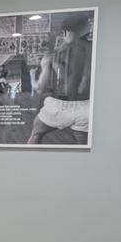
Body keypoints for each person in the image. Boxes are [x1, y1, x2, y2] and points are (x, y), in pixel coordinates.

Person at [27, 13, 92, 144]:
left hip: (59, 106)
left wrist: (33, 75)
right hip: (86, 107)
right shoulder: (94, 50)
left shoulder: (57, 54)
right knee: (83, 147)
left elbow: (39, 89)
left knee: (35, 134)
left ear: (64, 32)